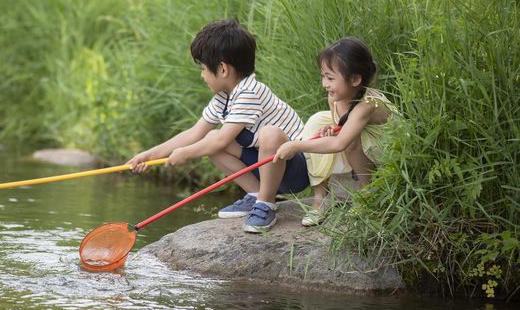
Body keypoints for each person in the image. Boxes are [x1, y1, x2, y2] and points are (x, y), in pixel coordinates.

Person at [128, 18, 309, 232]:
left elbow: (223, 140)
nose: (202, 75)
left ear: (222, 69)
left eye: (204, 68)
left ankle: (266, 203)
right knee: (210, 139)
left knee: (268, 134)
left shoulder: (250, 92)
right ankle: (255, 194)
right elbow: (195, 133)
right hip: (265, 166)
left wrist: (185, 153)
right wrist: (149, 155)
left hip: (295, 169)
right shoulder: (224, 97)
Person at [274, 37, 394, 226]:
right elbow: (342, 125)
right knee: (315, 122)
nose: (324, 84)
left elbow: (341, 142)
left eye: (330, 78)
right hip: (359, 135)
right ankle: (320, 197)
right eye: (323, 76)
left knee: (351, 141)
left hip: (387, 145)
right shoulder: (335, 98)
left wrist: (297, 146)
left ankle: (367, 192)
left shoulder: (368, 105)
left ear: (355, 79)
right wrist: (333, 128)